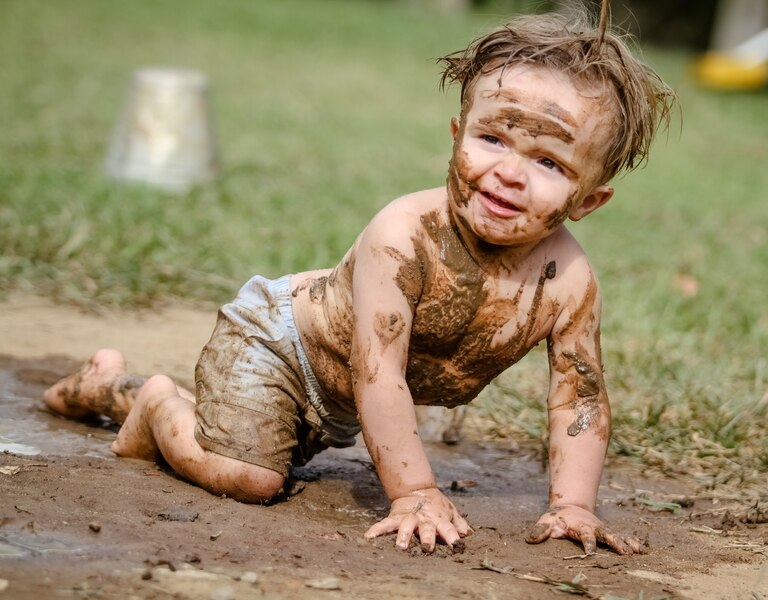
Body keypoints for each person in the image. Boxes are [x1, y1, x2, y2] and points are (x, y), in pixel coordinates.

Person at [43, 2, 673, 556]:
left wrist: (573, 506)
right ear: (457, 136)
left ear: (589, 199)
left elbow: (578, 398)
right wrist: (417, 493)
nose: (510, 172)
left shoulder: (569, 282)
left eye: (548, 161)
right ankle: (152, 402)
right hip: (278, 346)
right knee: (253, 478)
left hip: (337, 405)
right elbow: (378, 371)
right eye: (492, 137)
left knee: (261, 453)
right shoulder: (404, 236)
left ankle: (107, 385)